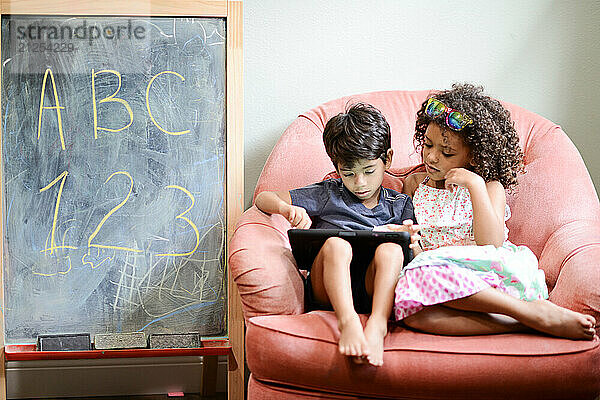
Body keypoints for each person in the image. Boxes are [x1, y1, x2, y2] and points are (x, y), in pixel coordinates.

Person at [386, 83, 596, 340]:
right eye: (428, 145)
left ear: (474, 156)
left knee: (423, 276)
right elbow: (414, 244)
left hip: (486, 272)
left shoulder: (488, 186)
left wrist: (474, 185)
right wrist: (410, 238)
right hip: (436, 276)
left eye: (447, 152)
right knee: (409, 309)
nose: (431, 157)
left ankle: (524, 311)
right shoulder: (415, 185)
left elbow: (492, 242)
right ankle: (528, 319)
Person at [255, 103, 416, 366]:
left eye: (368, 171)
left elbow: (416, 253)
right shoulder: (328, 193)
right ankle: (348, 321)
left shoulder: (399, 204)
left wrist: (406, 236)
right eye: (349, 173)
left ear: (387, 159)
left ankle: (377, 324)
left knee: (392, 249)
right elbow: (264, 199)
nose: (359, 182)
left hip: (373, 287)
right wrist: (285, 209)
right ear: (337, 167)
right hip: (326, 288)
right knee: (336, 245)